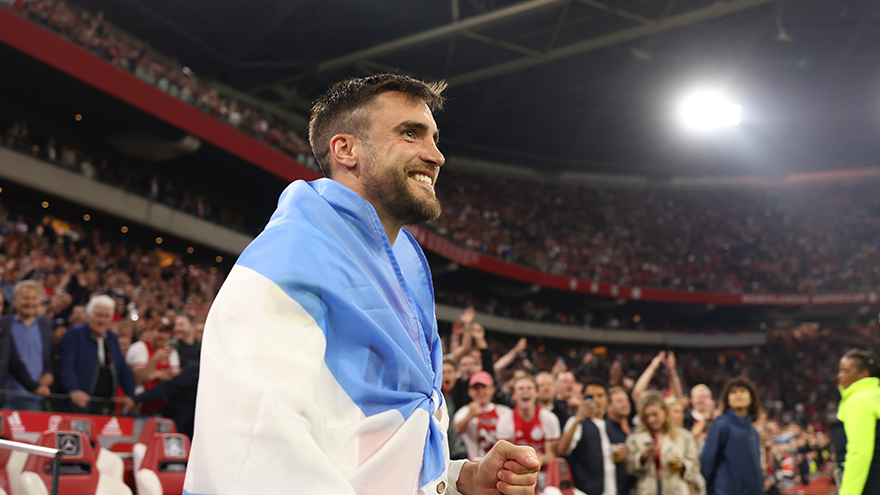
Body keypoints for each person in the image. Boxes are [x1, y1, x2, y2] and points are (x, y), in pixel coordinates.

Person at [183, 74, 540, 495]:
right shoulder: (289, 263)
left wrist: (459, 478)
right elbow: (255, 455)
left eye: (434, 138)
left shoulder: (393, 270)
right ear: (345, 150)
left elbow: (356, 438)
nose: (437, 156)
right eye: (410, 133)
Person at [57, 295, 135, 414]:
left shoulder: (112, 338)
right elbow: (66, 365)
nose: (102, 320)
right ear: (89, 315)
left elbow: (122, 368)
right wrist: (73, 389)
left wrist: (131, 395)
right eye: (99, 315)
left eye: (107, 316)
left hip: (105, 406)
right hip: (77, 404)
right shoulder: (74, 333)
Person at [625, 392, 702, 495]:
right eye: (647, 416)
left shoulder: (684, 437)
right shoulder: (636, 438)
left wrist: (683, 465)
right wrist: (641, 458)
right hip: (647, 490)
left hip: (676, 490)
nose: (651, 419)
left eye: (655, 414)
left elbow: (695, 466)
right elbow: (629, 468)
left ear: (665, 411)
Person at [558, 380, 626, 495]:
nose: (596, 400)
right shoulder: (577, 422)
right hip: (585, 490)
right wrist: (578, 419)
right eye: (591, 396)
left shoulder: (610, 425)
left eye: (600, 395)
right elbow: (562, 450)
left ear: (607, 400)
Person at [700, 377, 763, 495]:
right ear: (727, 400)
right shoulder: (721, 425)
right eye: (733, 392)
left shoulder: (753, 432)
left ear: (751, 398)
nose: (738, 394)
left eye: (743, 391)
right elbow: (707, 461)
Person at [831, 349, 880, 495]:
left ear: (863, 374)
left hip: (871, 483)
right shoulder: (875, 396)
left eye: (845, 371)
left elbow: (859, 453)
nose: (839, 376)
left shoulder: (859, 401)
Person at [1, 280, 54, 410]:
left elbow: (49, 357)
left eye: (33, 298)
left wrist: (49, 372)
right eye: (25, 298)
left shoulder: (46, 325)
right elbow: (13, 360)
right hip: (7, 395)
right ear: (15, 300)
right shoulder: (4, 324)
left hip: (35, 396)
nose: (30, 302)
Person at [497, 375, 561, 469]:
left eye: (529, 388)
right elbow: (505, 456)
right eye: (521, 388)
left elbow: (552, 454)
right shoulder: (505, 420)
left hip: (543, 471)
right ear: (514, 395)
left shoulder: (549, 418)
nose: (525, 391)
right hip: (516, 471)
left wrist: (541, 459)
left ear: (537, 393)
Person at [454, 371, 513, 460]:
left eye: (484, 387)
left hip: (501, 462)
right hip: (475, 462)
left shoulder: (505, 411)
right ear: (470, 392)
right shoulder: (463, 412)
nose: (480, 392)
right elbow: (458, 430)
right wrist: (469, 415)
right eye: (476, 388)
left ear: (492, 390)